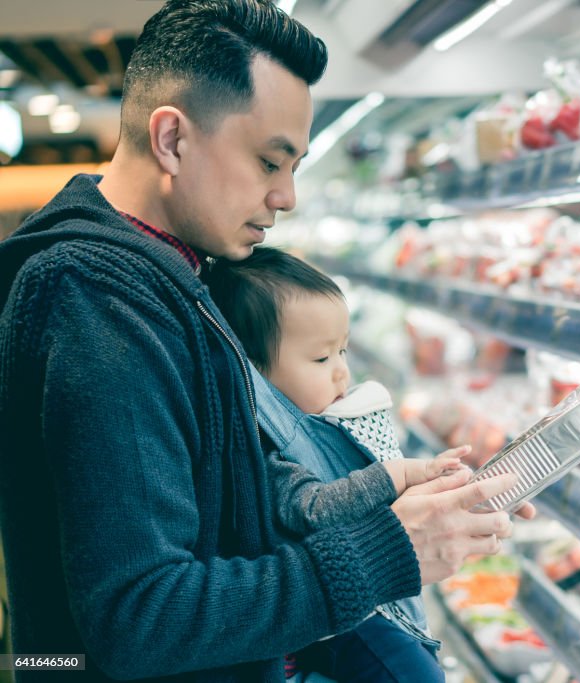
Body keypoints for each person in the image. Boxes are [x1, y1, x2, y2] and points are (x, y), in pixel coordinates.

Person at [0, 1, 527, 681]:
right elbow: (140, 617)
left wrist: (378, 496)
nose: (287, 196)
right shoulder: (98, 298)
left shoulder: (172, 275)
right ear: (171, 139)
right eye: (268, 162)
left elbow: (227, 500)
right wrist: (384, 552)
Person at [205, 246, 460, 683]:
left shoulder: (313, 423)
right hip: (346, 612)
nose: (342, 372)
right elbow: (313, 508)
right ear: (258, 381)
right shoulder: (269, 453)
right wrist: (394, 476)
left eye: (342, 352)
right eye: (322, 359)